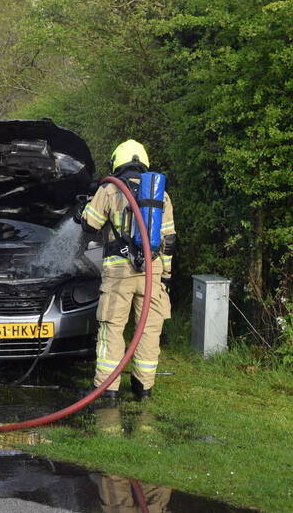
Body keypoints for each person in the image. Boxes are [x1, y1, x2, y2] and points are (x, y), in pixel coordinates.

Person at [78, 140, 175, 400]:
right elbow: (169, 240)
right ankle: (143, 389)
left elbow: (90, 225)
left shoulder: (110, 189)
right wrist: (164, 275)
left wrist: (85, 206)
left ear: (116, 162)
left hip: (119, 273)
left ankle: (108, 389)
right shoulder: (160, 195)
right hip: (152, 274)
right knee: (148, 331)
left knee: (112, 329)